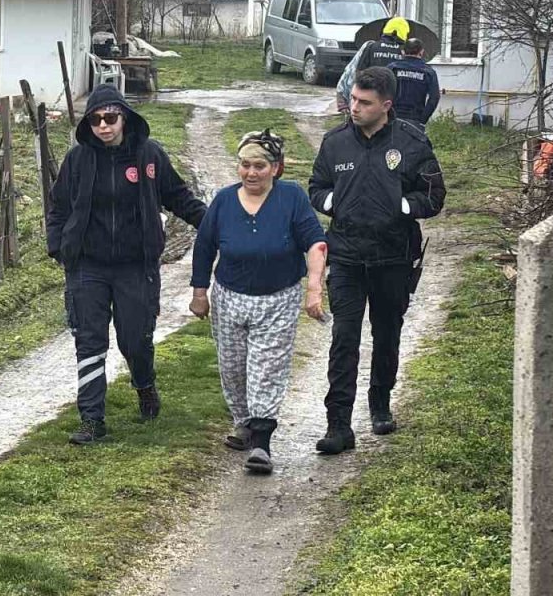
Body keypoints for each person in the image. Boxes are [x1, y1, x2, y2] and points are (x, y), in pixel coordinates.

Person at [47, 83, 206, 445]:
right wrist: (58, 247)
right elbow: (57, 207)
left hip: (136, 266)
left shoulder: (149, 156)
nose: (103, 126)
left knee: (135, 339)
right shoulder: (78, 160)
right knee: (90, 341)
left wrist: (214, 223)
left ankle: (144, 384)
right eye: (95, 120)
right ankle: (92, 419)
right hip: (87, 266)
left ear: (124, 117)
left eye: (110, 118)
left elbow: (178, 197)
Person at [308, 66, 446, 456]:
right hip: (347, 257)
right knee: (344, 339)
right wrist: (333, 202)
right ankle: (338, 424)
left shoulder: (412, 143)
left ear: (386, 105)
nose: (354, 107)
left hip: (393, 257)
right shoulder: (335, 143)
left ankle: (380, 401)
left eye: (364, 103)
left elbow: (435, 195)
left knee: (386, 334)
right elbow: (316, 186)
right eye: (352, 99)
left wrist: (403, 205)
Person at [189, 130, 328, 475]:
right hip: (230, 296)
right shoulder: (223, 201)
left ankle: (262, 442)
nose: (252, 173)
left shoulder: (292, 199)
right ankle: (243, 423)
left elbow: (315, 243)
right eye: (246, 165)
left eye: (260, 166)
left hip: (278, 298)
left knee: (266, 368)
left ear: (276, 168)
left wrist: (314, 287)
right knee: (234, 368)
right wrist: (199, 292)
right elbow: (205, 247)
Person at [336, 16, 410, 114]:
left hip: (368, 96)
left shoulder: (371, 47)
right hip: (391, 100)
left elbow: (358, 71)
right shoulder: (403, 52)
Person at [389, 38, 440, 125]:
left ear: (403, 52)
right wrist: (422, 120)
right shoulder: (428, 72)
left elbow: (381, 92)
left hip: (393, 117)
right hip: (416, 118)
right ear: (421, 52)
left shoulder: (392, 68)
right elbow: (434, 98)